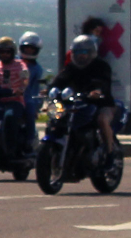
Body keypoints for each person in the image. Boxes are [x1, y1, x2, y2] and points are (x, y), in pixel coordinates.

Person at [51, 34, 121, 162]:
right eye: (77, 52)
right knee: (58, 118)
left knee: (102, 120)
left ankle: (110, 153)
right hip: (79, 103)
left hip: (102, 104)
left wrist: (97, 90)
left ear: (91, 52)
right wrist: (51, 88)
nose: (80, 55)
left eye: (84, 52)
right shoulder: (72, 67)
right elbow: (61, 78)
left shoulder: (101, 66)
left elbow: (102, 81)